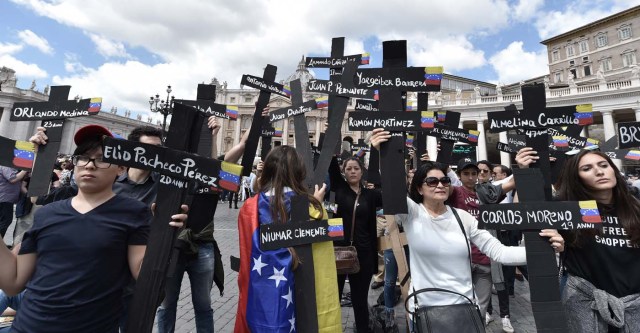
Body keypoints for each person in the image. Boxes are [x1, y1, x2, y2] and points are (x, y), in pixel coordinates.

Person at [370, 129, 563, 329]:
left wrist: (546, 249)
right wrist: (383, 153)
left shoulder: (464, 218)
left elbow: (500, 252)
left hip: (464, 309)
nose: (440, 185)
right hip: (424, 310)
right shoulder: (412, 214)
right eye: (432, 181)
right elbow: (393, 188)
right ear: (419, 188)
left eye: (444, 180)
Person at [0, 124, 186, 332]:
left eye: (101, 159)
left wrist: (165, 234)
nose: (89, 165)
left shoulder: (133, 213)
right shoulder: (46, 214)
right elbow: (13, 282)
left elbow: (145, 278)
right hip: (28, 326)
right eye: (83, 157)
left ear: (121, 168)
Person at [517, 148, 640, 332]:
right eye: (587, 168)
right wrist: (526, 172)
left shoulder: (635, 208)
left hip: (633, 309)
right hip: (586, 310)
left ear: (614, 170)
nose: (599, 171)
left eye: (604, 165)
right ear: (577, 178)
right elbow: (529, 212)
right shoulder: (569, 209)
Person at [234, 145, 341, 332]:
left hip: (261, 296)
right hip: (303, 300)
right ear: (299, 172)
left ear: (267, 170)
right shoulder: (313, 208)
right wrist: (315, 205)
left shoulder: (249, 208)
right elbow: (322, 264)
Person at [329, 155, 382, 332]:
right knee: (333, 297)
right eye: (348, 168)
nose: (352, 171)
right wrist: (331, 137)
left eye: (356, 168)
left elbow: (395, 194)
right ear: (343, 172)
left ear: (362, 171)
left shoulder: (370, 194)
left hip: (364, 253)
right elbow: (330, 163)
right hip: (339, 251)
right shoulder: (338, 188)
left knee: (360, 300)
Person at [0, 166, 28, 238]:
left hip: (6, 199)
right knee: (5, 221)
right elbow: (13, 179)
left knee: (4, 221)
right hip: (4, 199)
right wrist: (25, 169)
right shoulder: (5, 166)